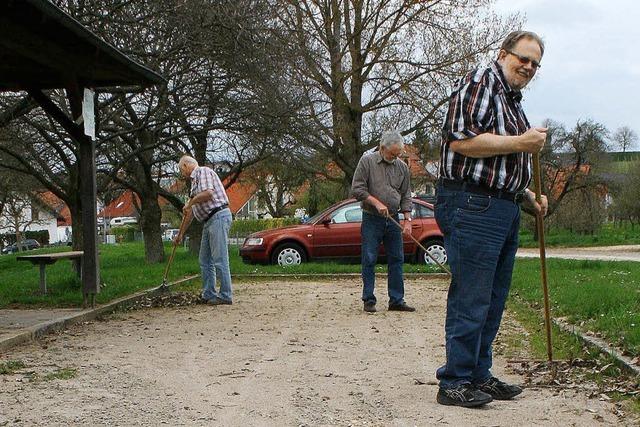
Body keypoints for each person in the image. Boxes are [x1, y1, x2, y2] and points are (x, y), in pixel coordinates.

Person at [434, 30, 549, 407]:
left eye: (535, 63)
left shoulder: (510, 99)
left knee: (493, 297)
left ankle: (478, 374)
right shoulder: (481, 82)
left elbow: (498, 166)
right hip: (472, 205)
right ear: (503, 53)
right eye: (523, 58)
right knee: (473, 295)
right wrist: (523, 142)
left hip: (501, 205)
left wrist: (528, 196)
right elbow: (459, 140)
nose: (529, 67)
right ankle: (455, 380)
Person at [351, 130, 415, 313]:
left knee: (397, 259)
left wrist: (407, 219)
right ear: (382, 148)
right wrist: (376, 203)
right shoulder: (367, 162)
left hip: (393, 219)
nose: (395, 157)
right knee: (369, 258)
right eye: (392, 154)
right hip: (372, 218)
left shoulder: (402, 167)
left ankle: (396, 300)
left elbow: (406, 195)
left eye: (398, 154)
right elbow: (357, 189)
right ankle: (369, 300)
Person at [175, 155, 233, 305]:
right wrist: (180, 234)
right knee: (205, 260)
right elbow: (191, 213)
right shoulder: (194, 185)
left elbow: (208, 193)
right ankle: (208, 294)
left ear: (186, 166)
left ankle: (226, 295)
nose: (182, 174)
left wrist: (191, 202)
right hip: (208, 221)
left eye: (181, 170)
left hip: (218, 216)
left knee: (219, 258)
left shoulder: (203, 172)